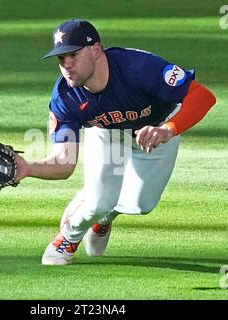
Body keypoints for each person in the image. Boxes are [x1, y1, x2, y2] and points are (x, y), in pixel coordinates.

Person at [15, 18, 216, 265]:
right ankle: (67, 238)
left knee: (142, 204)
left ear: (96, 51)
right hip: (108, 134)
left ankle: (105, 217)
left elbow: (202, 96)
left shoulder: (139, 67)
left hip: (158, 128)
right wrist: (28, 168)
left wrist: (167, 130)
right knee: (97, 201)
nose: (67, 65)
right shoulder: (65, 99)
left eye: (73, 55)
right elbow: (63, 164)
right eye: (61, 59)